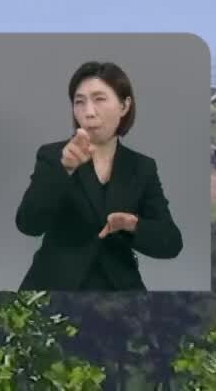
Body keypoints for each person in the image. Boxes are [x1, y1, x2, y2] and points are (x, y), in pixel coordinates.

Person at [14, 60, 183, 290]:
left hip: (120, 292)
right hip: (54, 288)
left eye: (99, 99)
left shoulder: (141, 167)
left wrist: (132, 224)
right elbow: (28, 224)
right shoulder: (53, 156)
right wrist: (64, 169)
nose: (89, 112)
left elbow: (170, 243)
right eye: (79, 102)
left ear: (124, 106)